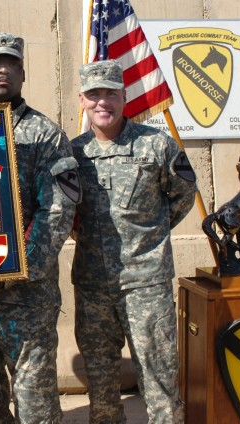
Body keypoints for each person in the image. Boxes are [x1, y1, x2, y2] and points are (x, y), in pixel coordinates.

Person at [0, 32, 81, 424]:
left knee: (34, 398)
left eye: (10, 63)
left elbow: (58, 209)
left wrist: (15, 269)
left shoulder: (44, 135)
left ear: (23, 72)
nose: (2, 70)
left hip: (25, 294)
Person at [70, 59, 196, 424]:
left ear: (125, 96)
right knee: (101, 384)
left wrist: (149, 235)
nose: (102, 102)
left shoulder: (157, 145)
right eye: (94, 94)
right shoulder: (74, 154)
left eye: (111, 93)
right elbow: (66, 213)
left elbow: (183, 196)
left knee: (159, 381)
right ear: (82, 100)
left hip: (147, 284)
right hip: (93, 286)